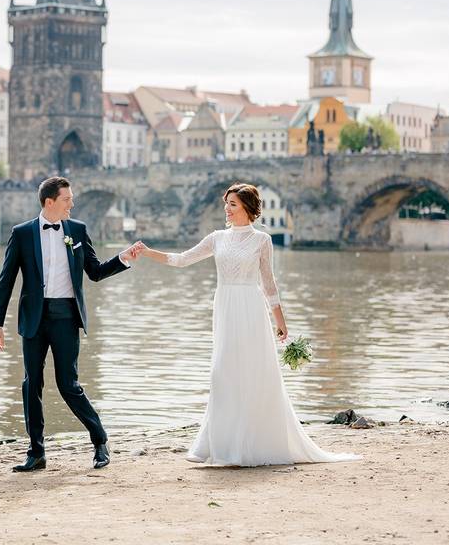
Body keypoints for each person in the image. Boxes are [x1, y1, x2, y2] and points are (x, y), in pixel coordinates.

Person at [133, 183, 360, 466]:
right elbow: (181, 260)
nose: (226, 209)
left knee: (253, 374)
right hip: (226, 306)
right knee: (222, 373)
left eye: (233, 205)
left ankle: (252, 445)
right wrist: (146, 252)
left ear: (248, 208)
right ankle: (220, 445)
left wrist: (280, 322)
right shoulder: (216, 238)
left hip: (251, 309)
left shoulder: (262, 240)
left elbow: (269, 284)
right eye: (226, 204)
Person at [0, 176, 139, 472]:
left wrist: (123, 258)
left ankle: (99, 440)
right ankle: (36, 452)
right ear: (50, 202)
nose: (73, 203)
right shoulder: (22, 234)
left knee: (68, 384)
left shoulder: (77, 230)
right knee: (32, 384)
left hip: (66, 317)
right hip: (33, 318)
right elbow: (6, 279)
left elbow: (94, 272)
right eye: (67, 199)